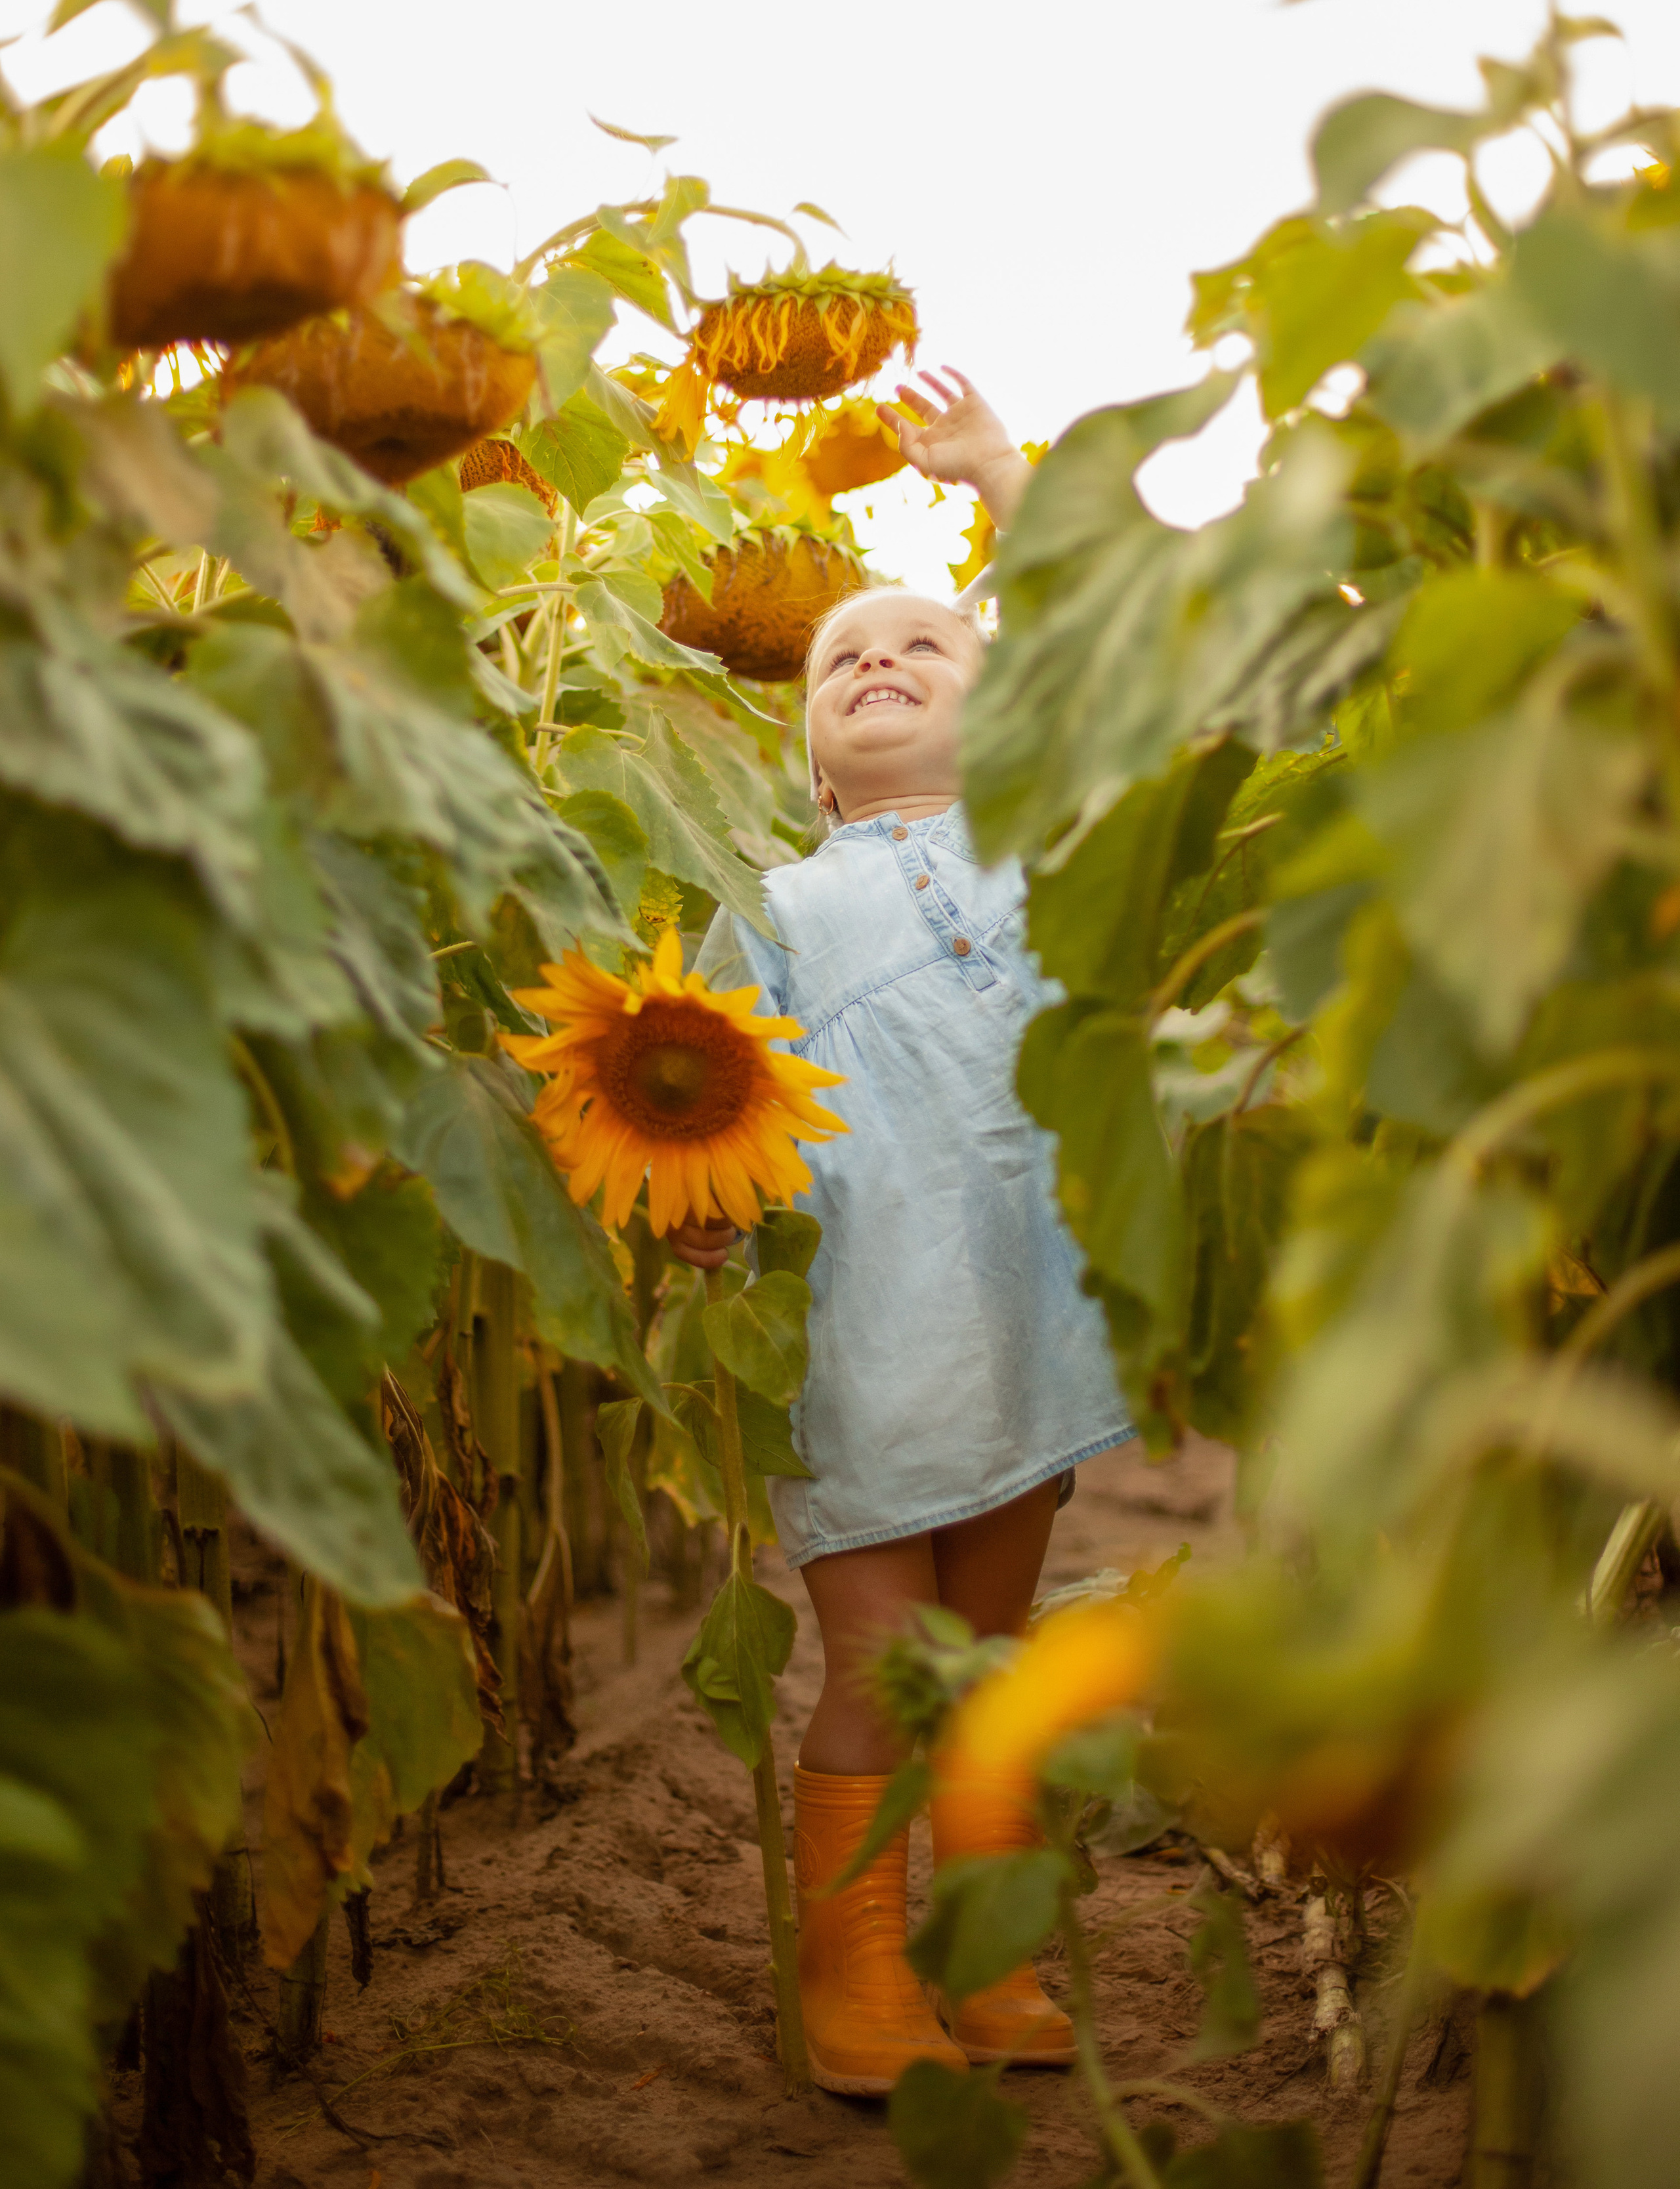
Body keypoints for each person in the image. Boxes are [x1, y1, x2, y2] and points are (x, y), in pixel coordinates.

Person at [671, 370, 1135, 2095]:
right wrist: (707, 1218)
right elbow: (704, 1090)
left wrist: (1006, 480)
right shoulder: (774, 900)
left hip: (1027, 1312)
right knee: (883, 1657)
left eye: (921, 649)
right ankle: (857, 1972)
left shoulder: (1042, 837)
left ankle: (995, 1954)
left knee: (989, 1660)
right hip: (859, 1327)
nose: (873, 661)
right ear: (802, 751)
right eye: (839, 662)